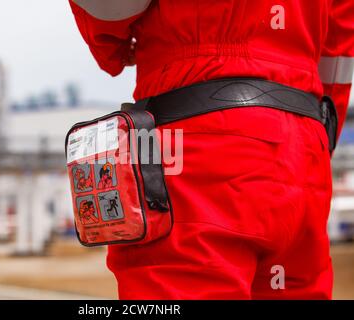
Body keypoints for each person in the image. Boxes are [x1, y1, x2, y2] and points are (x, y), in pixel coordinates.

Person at [69, 0, 354, 299]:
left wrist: (109, 44)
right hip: (303, 155)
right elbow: (339, 50)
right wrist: (310, 146)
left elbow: (110, 7)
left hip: (195, 142)